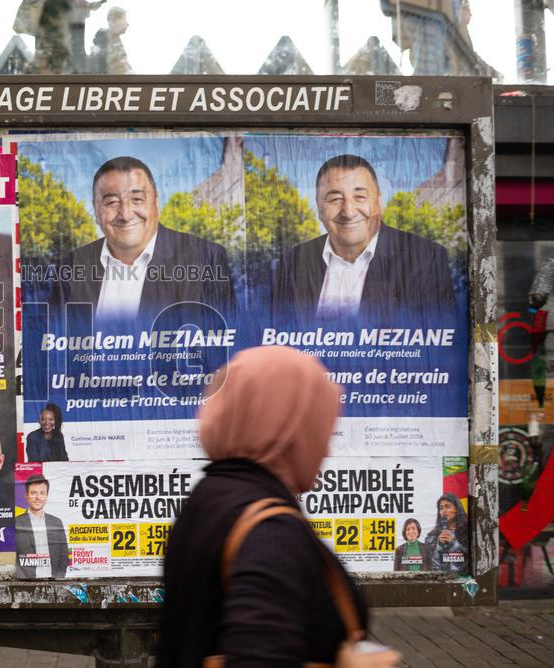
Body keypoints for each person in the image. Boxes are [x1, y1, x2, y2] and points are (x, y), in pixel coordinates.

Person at [157, 346, 400, 667]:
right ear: (286, 431)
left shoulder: (211, 496)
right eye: (316, 428)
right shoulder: (269, 530)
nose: (325, 448)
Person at [273, 154, 455, 326]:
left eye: (360, 197)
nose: (349, 212)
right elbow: (275, 339)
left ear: (378, 203)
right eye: (335, 199)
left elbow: (438, 347)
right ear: (319, 207)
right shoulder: (293, 262)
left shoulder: (425, 258)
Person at [55, 156, 235, 325]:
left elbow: (223, 345)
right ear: (96, 210)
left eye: (137, 199)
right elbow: (55, 346)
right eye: (111, 202)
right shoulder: (71, 266)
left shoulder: (205, 258)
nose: (125, 214)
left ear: (156, 203)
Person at [15, 474, 69, 578]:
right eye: (33, 493)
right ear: (26, 495)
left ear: (47, 496)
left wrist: (58, 579)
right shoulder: (16, 523)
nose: (38, 498)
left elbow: (64, 555)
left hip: (53, 581)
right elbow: (14, 557)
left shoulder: (56, 522)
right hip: (26, 583)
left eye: (42, 493)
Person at [424, 493, 469, 572]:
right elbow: (429, 565)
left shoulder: (468, 532)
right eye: (441, 508)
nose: (444, 511)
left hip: (464, 579)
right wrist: (439, 546)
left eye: (447, 506)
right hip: (441, 581)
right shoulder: (431, 537)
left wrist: (454, 543)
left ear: (457, 509)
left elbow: (474, 559)